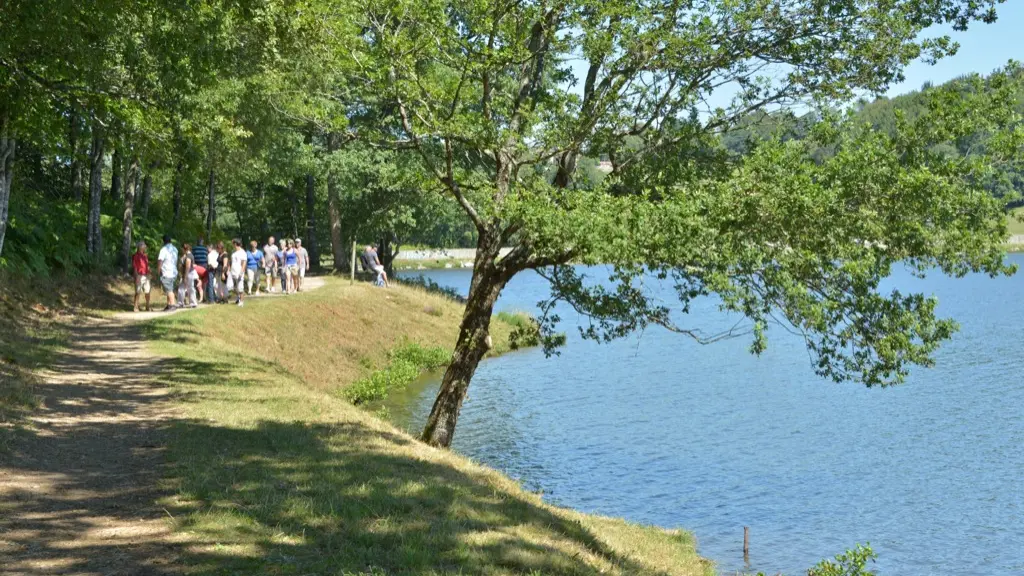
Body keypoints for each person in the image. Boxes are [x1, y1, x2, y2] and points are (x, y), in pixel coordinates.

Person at [157, 234, 178, 311]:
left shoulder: (164, 250)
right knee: (169, 288)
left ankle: (172, 305)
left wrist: (158, 270)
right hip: (173, 272)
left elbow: (160, 261)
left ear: (163, 241)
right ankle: (169, 305)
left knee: (169, 290)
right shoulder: (175, 249)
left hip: (166, 272)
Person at [132, 241, 152, 312]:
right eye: (144, 245)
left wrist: (149, 271)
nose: (145, 246)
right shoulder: (135, 256)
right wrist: (136, 276)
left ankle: (147, 306)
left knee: (148, 291)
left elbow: (147, 265)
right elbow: (134, 267)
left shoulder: (145, 256)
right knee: (138, 291)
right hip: (139, 275)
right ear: (139, 247)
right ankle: (135, 306)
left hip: (146, 275)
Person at [178, 243, 197, 308]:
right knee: (183, 288)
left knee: (189, 288)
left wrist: (185, 276)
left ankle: (192, 303)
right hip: (187, 273)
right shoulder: (186, 255)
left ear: (184, 249)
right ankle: (182, 303)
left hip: (188, 273)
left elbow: (188, 266)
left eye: (182, 249)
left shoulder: (189, 256)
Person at [229, 238, 247, 307]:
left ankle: (242, 302)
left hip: (239, 272)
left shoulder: (242, 252)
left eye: (233, 243)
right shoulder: (234, 252)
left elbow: (244, 263)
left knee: (240, 287)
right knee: (234, 287)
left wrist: (241, 272)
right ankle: (238, 298)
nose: (232, 245)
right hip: (233, 272)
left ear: (235, 244)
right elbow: (232, 262)